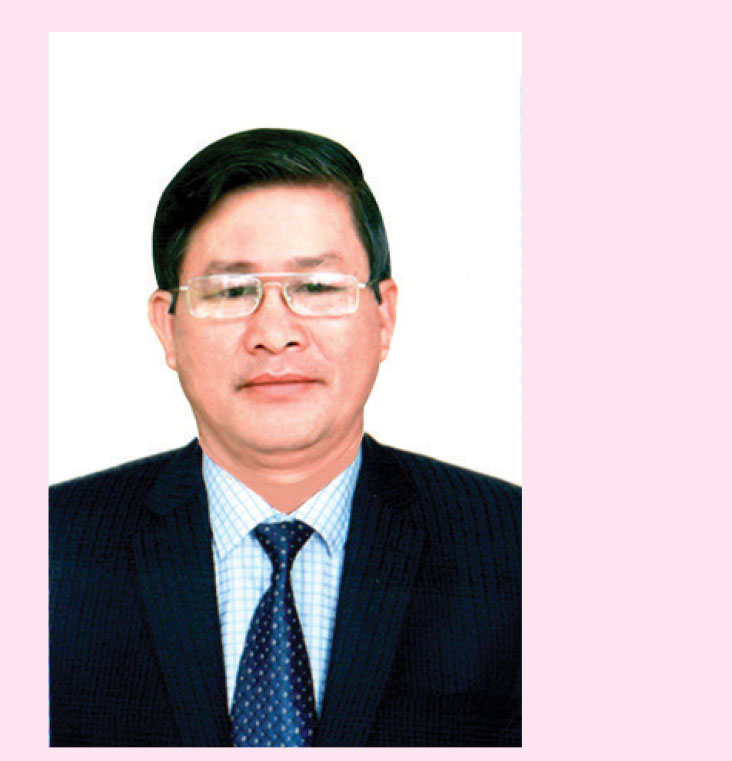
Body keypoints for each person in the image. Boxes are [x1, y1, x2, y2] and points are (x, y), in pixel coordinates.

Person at [49, 128, 521, 746]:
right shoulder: (50, 552)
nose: (275, 334)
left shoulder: (516, 546)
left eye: (317, 288)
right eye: (230, 291)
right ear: (167, 327)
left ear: (384, 317)